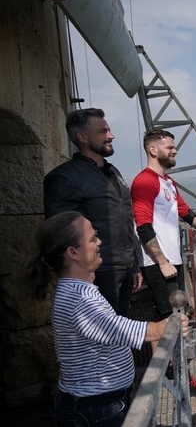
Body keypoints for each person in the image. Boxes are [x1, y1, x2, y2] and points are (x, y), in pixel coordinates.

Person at [16, 211, 189, 427]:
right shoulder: (78, 298)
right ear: (74, 252)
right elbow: (113, 328)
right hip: (96, 409)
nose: (99, 242)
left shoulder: (79, 290)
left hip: (100, 404)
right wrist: (160, 328)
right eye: (92, 238)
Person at [130, 128, 196, 398]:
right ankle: (179, 375)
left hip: (173, 261)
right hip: (160, 264)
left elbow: (187, 213)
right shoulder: (144, 182)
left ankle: (172, 371)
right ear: (153, 150)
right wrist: (160, 263)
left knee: (172, 320)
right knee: (172, 322)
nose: (175, 151)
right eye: (170, 147)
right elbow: (143, 226)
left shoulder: (166, 182)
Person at [43, 108, 142, 317]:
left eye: (109, 130)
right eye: (103, 131)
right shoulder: (64, 177)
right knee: (103, 338)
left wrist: (135, 265)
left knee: (119, 335)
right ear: (82, 137)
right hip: (97, 274)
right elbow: (59, 233)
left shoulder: (113, 171)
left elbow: (125, 219)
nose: (111, 136)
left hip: (124, 269)